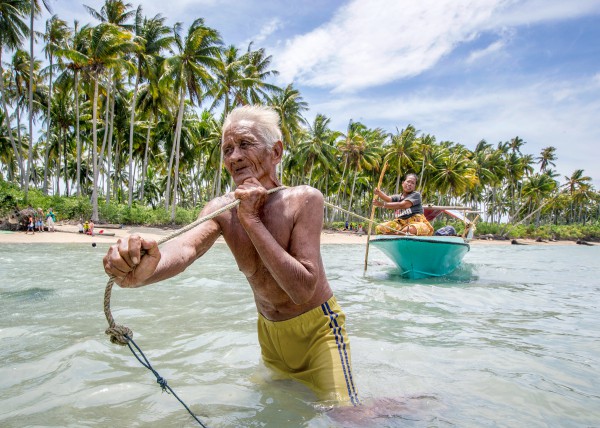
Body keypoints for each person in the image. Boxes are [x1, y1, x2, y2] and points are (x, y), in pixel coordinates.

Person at [103, 105, 359, 406]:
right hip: (270, 334)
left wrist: (251, 221)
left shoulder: (303, 200)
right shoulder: (222, 209)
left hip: (318, 331)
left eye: (245, 145)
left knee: (346, 415)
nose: (234, 156)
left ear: (275, 152)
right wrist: (144, 270)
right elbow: (185, 248)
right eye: (227, 149)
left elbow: (302, 289)